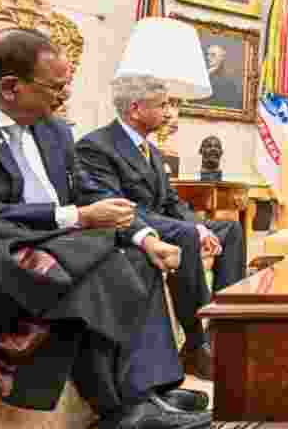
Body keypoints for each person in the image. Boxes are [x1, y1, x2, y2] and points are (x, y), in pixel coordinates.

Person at [0, 29, 210, 428]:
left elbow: (90, 192)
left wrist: (144, 236)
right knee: (96, 258)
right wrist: (73, 219)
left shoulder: (52, 127)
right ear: (10, 87)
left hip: (62, 240)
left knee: (136, 257)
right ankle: (122, 409)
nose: (63, 96)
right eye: (55, 87)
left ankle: (149, 389)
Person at [76, 75, 247, 382]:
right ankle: (197, 344)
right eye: (163, 105)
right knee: (185, 235)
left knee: (229, 230)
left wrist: (199, 227)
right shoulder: (95, 146)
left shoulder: (150, 149)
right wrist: (190, 231)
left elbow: (170, 201)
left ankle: (226, 330)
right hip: (130, 227)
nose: (169, 112)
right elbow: (118, 207)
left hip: (162, 222)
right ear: (135, 108)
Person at [199, 44, 244, 109]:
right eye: (207, 54)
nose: (208, 57)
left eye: (213, 55)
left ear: (222, 57)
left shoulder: (227, 81)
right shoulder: (203, 74)